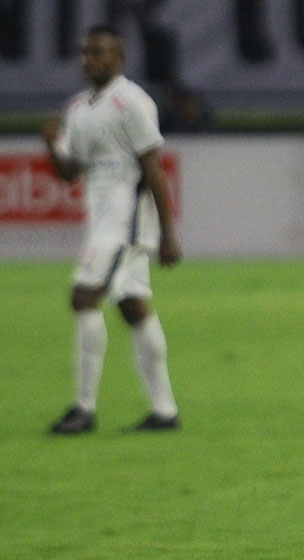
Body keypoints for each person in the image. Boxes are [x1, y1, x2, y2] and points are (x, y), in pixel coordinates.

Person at [42, 25, 182, 435]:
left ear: (118, 59)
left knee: (83, 297)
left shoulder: (131, 102)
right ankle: (165, 411)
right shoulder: (78, 109)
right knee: (132, 307)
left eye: (98, 53)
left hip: (125, 222)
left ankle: (83, 409)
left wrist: (168, 233)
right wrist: (51, 145)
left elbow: (154, 168)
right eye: (84, 53)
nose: (89, 60)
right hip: (101, 220)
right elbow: (70, 172)